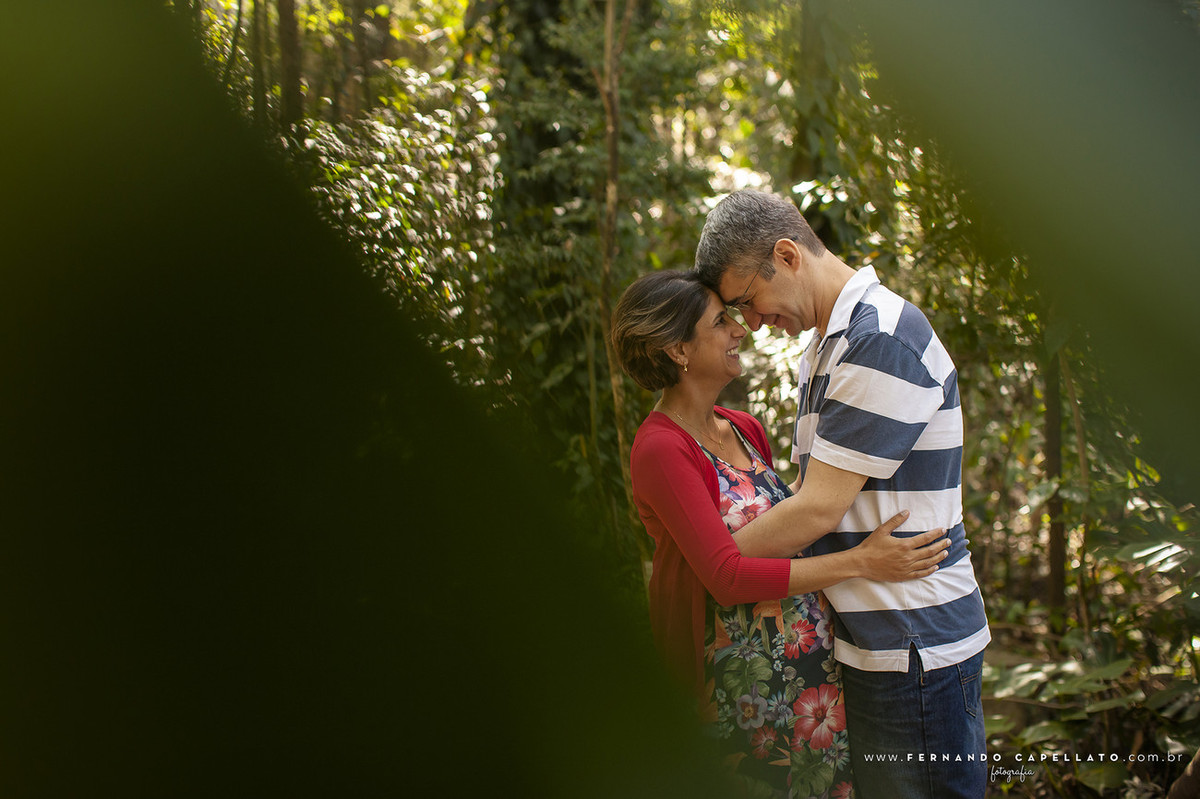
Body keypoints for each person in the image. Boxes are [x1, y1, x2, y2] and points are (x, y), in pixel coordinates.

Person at [693, 188, 992, 798]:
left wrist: (714, 564)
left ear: (787, 255)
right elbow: (816, 497)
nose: (750, 323)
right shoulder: (826, 346)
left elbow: (818, 506)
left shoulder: (879, 337)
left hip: (914, 646)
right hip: (872, 640)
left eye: (748, 301)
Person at [611, 269, 951, 798]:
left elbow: (782, 523)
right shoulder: (661, 448)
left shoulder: (742, 427)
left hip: (806, 665)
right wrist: (863, 560)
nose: (740, 330)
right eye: (721, 322)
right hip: (739, 681)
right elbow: (725, 576)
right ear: (678, 349)